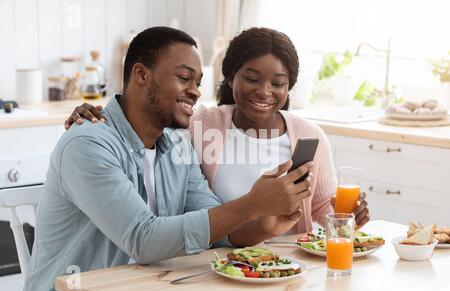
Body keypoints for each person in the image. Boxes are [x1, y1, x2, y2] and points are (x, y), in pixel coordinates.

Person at [25, 27, 313, 291]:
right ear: (141, 74)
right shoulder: (88, 144)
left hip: (149, 290)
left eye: (198, 83)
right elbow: (143, 239)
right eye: (184, 78)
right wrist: (251, 204)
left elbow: (215, 224)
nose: (196, 91)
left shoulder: (177, 143)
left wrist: (265, 222)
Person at [68, 27, 370, 241]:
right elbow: (136, 117)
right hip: (215, 269)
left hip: (279, 267)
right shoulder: (193, 126)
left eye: (277, 83)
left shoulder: (307, 135)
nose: (264, 91)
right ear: (231, 78)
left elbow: (322, 211)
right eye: (252, 78)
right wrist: (95, 113)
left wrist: (345, 215)